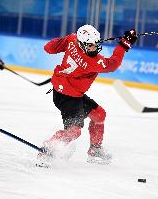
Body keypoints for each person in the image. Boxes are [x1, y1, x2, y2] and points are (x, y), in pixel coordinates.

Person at [37, 25, 137, 167]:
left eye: (96, 44)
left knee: (99, 115)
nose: (95, 48)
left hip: (69, 93)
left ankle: (95, 149)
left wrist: (67, 40)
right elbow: (113, 64)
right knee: (74, 131)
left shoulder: (72, 40)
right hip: (67, 97)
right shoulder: (93, 61)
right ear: (82, 44)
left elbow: (49, 48)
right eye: (91, 45)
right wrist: (124, 44)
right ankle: (48, 148)